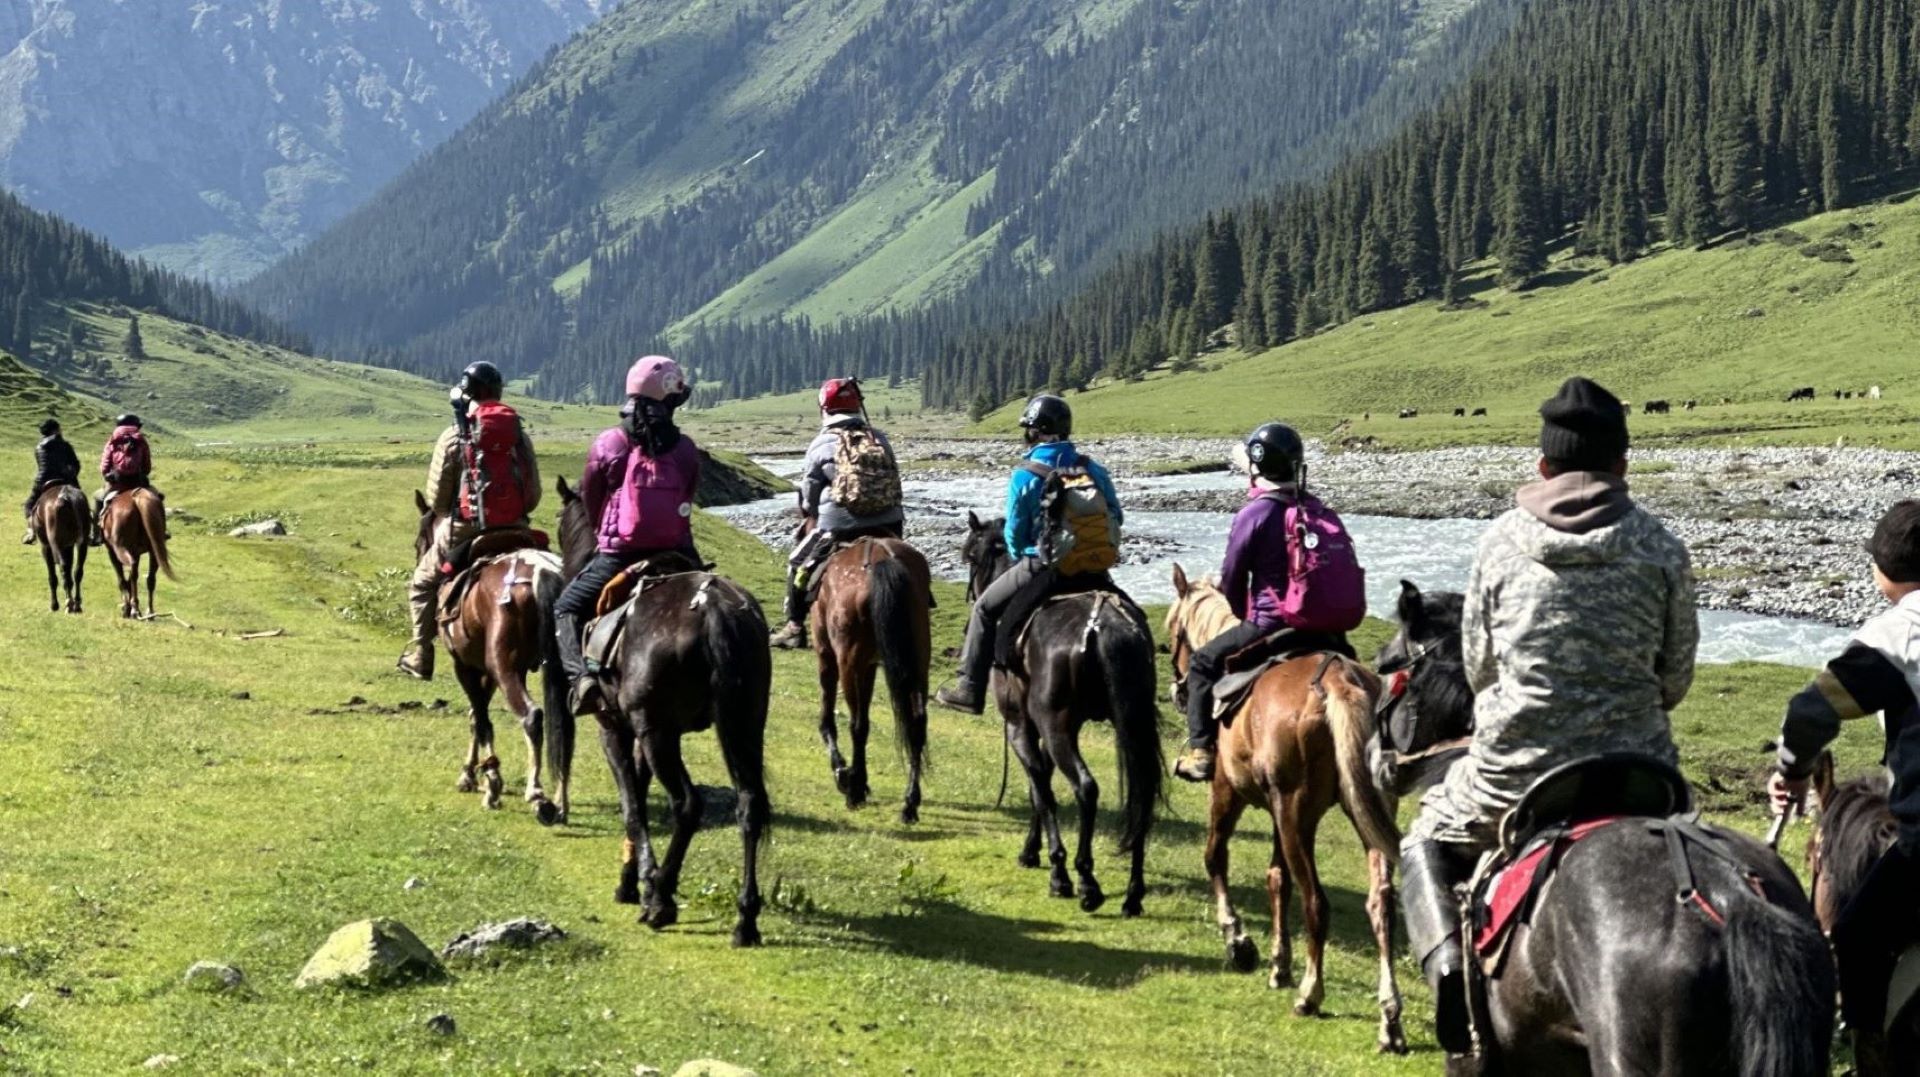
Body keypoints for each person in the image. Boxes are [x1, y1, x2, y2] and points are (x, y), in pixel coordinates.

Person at [1398, 376, 1698, 1055]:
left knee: (1424, 835)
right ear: (1622, 463)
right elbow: (1674, 680)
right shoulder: (1663, 546)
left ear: (1543, 465)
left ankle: (1449, 972)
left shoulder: (1500, 543)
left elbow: (1478, 670)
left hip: (1515, 776)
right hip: (1640, 775)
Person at [1770, 499, 1920, 1044]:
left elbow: (1811, 712)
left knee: (1858, 933)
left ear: (1881, 570)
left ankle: (1867, 1048)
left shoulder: (1898, 637)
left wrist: (1794, 770)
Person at [1172, 422, 1361, 783]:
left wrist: (1246, 614)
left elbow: (1232, 575)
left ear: (1258, 466)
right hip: (1327, 626)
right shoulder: (1316, 509)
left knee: (1200, 664)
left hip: (1271, 622)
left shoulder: (1254, 514)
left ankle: (1201, 752)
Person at [934, 394, 1121, 715]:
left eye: (1029, 428)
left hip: (1045, 565)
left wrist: (1027, 554)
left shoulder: (1026, 474)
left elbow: (1015, 536)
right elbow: (1115, 516)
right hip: (1093, 566)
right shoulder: (1091, 467)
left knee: (983, 609)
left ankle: (969, 689)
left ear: (1035, 431)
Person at [552, 355, 702, 716]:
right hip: (678, 551)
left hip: (619, 555)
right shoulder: (685, 449)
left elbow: (591, 499)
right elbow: (688, 497)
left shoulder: (608, 444)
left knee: (565, 607)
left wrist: (611, 532)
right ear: (670, 400)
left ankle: (581, 681)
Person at [398, 362, 541, 681]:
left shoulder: (454, 436)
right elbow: (533, 496)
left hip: (464, 530)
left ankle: (421, 653)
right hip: (516, 528)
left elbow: (436, 500)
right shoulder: (518, 434)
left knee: (422, 583)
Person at [769, 377, 905, 649]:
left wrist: (810, 510)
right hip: (891, 521)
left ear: (825, 408)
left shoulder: (821, 443)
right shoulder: (878, 437)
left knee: (797, 562)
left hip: (841, 524)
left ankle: (794, 626)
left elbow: (810, 492)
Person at [92, 414, 161, 547]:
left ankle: (97, 534)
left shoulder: (112, 440)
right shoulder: (141, 440)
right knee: (156, 498)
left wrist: (107, 474)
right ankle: (161, 530)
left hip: (117, 482)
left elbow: (105, 463)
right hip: (138, 481)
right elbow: (147, 465)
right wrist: (143, 473)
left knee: (99, 498)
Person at [22, 417, 81, 544]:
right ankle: (89, 531)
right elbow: (75, 464)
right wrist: (72, 475)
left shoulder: (39, 447)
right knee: (81, 502)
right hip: (66, 479)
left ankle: (31, 531)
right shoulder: (65, 445)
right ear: (56, 430)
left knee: (29, 505)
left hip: (44, 480)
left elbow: (42, 465)